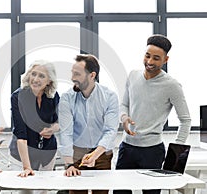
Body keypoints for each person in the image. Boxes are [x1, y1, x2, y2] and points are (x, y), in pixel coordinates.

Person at [114, 34, 191, 194]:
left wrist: (175, 153)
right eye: (147, 56)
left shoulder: (172, 85)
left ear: (165, 60)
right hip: (127, 148)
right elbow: (124, 104)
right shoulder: (133, 75)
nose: (149, 62)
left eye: (156, 58)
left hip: (152, 151)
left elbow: (185, 120)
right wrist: (124, 118)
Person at [57, 54, 119, 194]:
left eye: (77, 74)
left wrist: (95, 154)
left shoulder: (109, 97)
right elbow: (66, 132)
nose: (72, 78)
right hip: (77, 153)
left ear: (92, 75)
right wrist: (69, 164)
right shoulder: (67, 98)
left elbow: (110, 130)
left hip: (102, 154)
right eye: (72, 73)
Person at [8, 60, 59, 192]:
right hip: (21, 154)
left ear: (49, 81)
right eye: (33, 74)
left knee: (43, 191)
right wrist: (27, 167)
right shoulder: (17, 97)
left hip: (47, 153)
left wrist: (52, 129)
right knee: (25, 191)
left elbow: (60, 123)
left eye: (41, 76)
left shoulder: (53, 97)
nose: (36, 79)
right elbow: (21, 133)